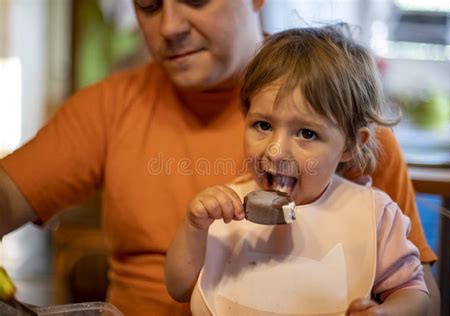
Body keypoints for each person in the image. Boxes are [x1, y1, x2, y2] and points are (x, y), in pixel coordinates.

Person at [0, 1, 438, 315]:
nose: (170, 25)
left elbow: (420, 291)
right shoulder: (110, 106)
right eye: (149, 6)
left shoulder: (342, 109)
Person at [164, 25, 429, 315]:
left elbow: (414, 293)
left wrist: (384, 312)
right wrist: (194, 227)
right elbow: (179, 288)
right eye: (263, 125)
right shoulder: (226, 208)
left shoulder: (375, 215)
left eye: (306, 133)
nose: (275, 151)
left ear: (350, 145)